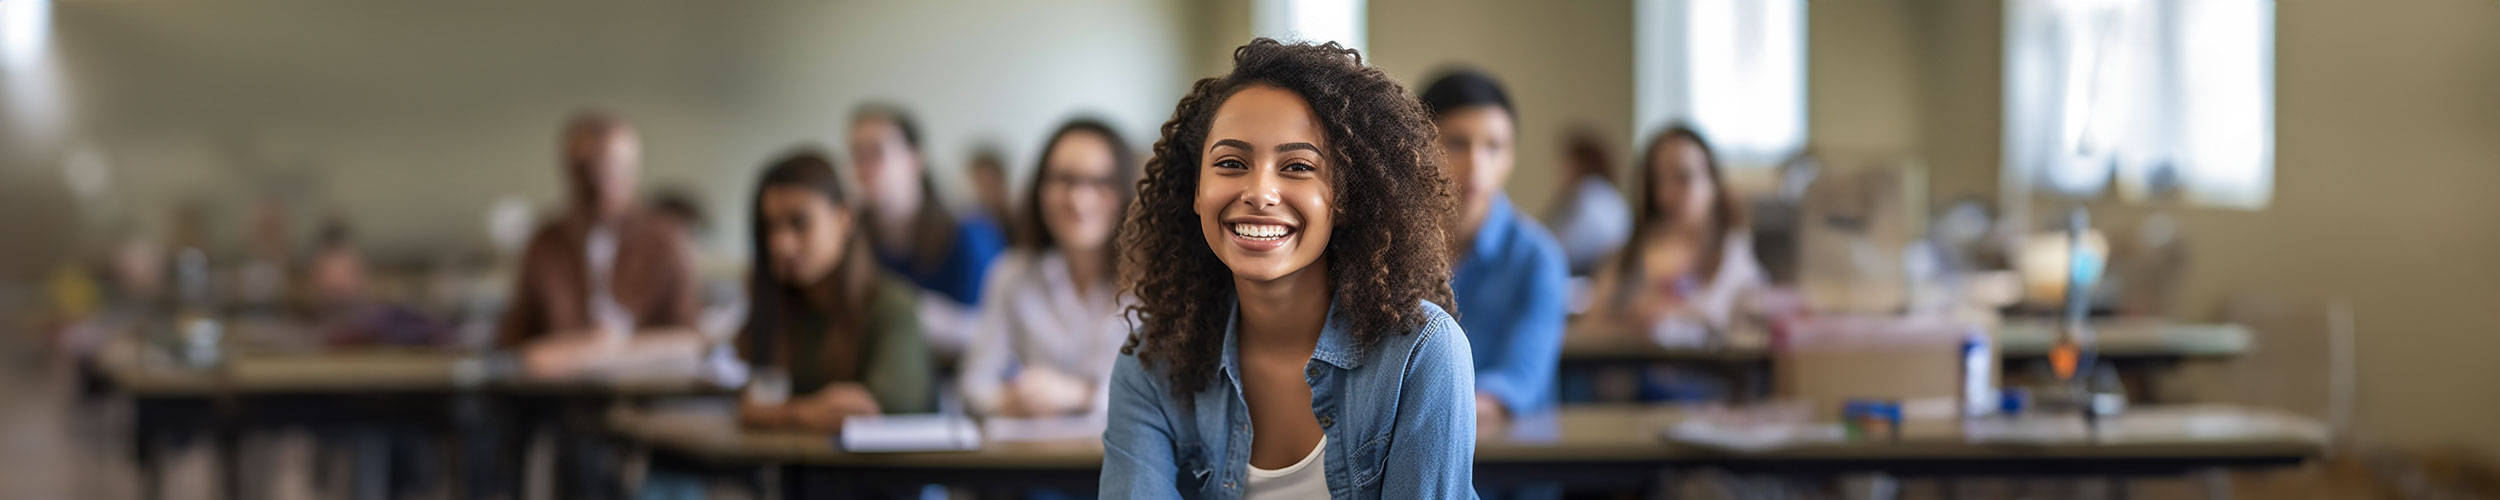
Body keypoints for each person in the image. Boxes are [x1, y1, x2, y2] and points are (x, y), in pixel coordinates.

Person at [1101, 38, 1478, 499]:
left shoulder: (1420, 355)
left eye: (1297, 166)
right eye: (1231, 163)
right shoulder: (1150, 365)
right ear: (1197, 190)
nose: (1260, 192)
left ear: (1344, 197)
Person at [496, 110, 709, 378]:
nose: (598, 183)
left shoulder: (667, 241)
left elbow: (691, 339)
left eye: (611, 169)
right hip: (558, 400)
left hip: (647, 392)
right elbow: (516, 343)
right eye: (585, 169)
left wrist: (600, 352)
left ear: (632, 168)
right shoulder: (544, 242)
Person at [737, 150, 935, 432]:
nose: (781, 244)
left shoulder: (892, 304)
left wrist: (777, 413)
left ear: (844, 218)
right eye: (770, 227)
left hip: (882, 472)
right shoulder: (773, 304)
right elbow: (747, 403)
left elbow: (883, 406)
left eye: (800, 222)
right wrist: (807, 412)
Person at [957, 118, 1138, 419]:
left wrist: (1081, 394)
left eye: (1101, 181)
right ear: (1039, 188)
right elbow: (973, 385)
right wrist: (1007, 401)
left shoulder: (1156, 280)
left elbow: (1170, 393)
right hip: (1036, 456)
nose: (1079, 199)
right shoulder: (1011, 274)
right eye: (1064, 179)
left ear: (1126, 191)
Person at [1418, 69, 1570, 426]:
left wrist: (1420, 412)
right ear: (1421, 147)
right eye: (1457, 143)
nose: (1476, 164)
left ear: (1511, 156)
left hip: (1507, 462)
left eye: (1494, 146)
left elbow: (1519, 382)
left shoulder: (1538, 258)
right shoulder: (1387, 250)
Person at [1590, 124, 1766, 340]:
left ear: (1713, 184)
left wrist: (1678, 314)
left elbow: (1746, 335)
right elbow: (1589, 331)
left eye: (1683, 177)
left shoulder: (1735, 259)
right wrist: (1628, 322)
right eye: (1657, 180)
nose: (1666, 195)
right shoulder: (1627, 258)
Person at [848, 104, 1008, 311]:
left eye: (876, 151)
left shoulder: (970, 236)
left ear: (915, 159)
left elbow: (992, 326)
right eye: (856, 154)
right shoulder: (849, 239)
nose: (863, 167)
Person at [1542, 126, 1635, 277]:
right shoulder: (1608, 195)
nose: (1562, 173)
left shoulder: (1590, 192)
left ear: (1580, 164)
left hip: (1593, 276)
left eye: (1568, 164)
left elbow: (1561, 245)